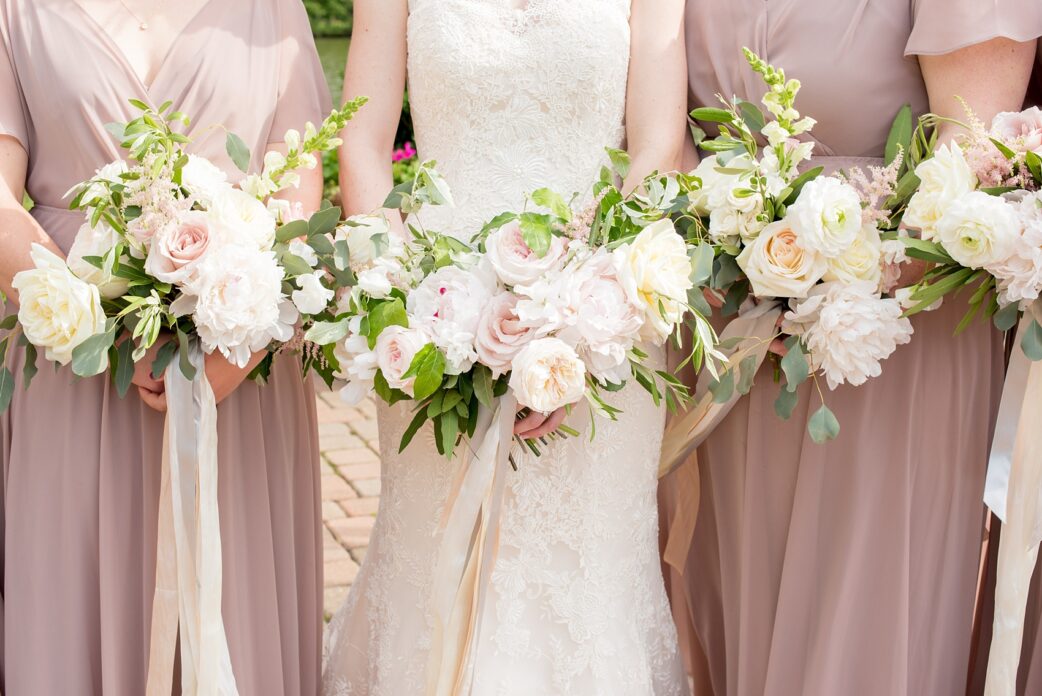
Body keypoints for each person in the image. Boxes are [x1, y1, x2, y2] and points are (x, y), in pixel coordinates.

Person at [660, 1, 1042, 695]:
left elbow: (973, 168)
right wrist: (739, 270)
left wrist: (811, 285)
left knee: (856, 642)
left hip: (882, 345)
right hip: (730, 343)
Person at [322, 1, 690, 693]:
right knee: (435, 562)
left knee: (586, 581)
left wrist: (577, 326)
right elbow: (362, 145)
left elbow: (657, 150)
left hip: (601, 312)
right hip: (437, 318)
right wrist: (404, 300)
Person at [0, 1, 329, 693]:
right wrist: (94, 318)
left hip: (238, 364)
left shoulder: (272, 11)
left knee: (230, 605)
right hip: (75, 366)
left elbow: (300, 188)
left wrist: (239, 347)